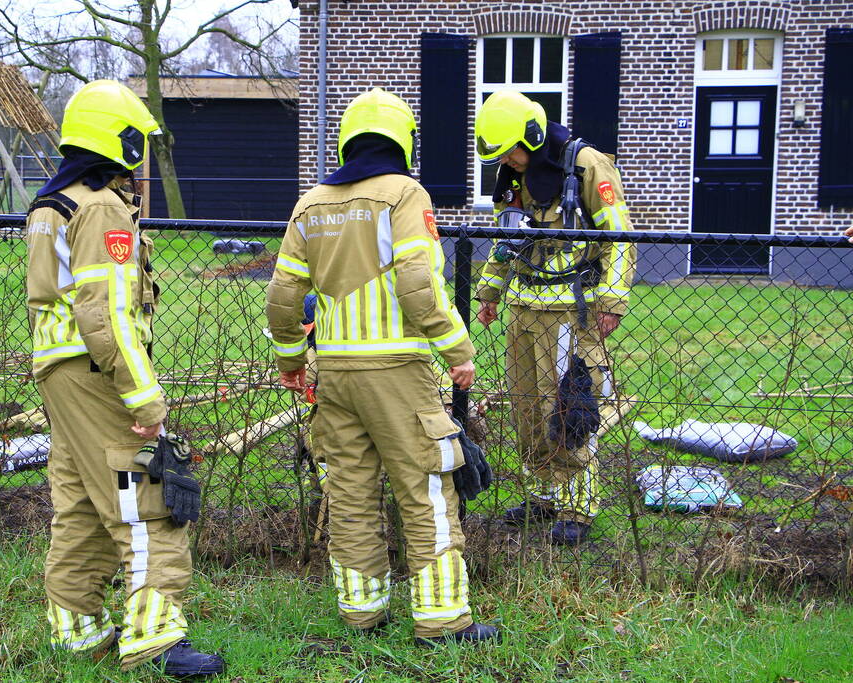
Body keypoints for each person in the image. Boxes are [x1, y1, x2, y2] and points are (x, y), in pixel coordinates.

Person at [265, 87, 500, 646]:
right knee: (425, 488)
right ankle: (442, 621)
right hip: (398, 371)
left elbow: (281, 296)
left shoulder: (311, 203)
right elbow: (419, 285)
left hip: (335, 372)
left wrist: (291, 359)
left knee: (348, 492)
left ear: (349, 138)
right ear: (404, 140)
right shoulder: (404, 194)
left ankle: (361, 613)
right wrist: (458, 350)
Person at [25, 80, 224, 677]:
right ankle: (155, 640)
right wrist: (144, 394)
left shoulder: (50, 204)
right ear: (122, 140)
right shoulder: (103, 206)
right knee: (145, 500)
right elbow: (106, 312)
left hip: (59, 372)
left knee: (83, 503)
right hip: (97, 373)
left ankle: (77, 631)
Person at [473, 89, 636, 546]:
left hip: (571, 311)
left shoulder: (586, 165)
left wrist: (612, 299)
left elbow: (620, 234)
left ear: (533, 133)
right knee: (526, 410)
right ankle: (545, 495)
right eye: (500, 155)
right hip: (522, 310)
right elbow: (505, 240)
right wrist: (490, 291)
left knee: (566, 409)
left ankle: (577, 507)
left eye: (511, 150)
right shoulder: (511, 177)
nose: (508, 160)